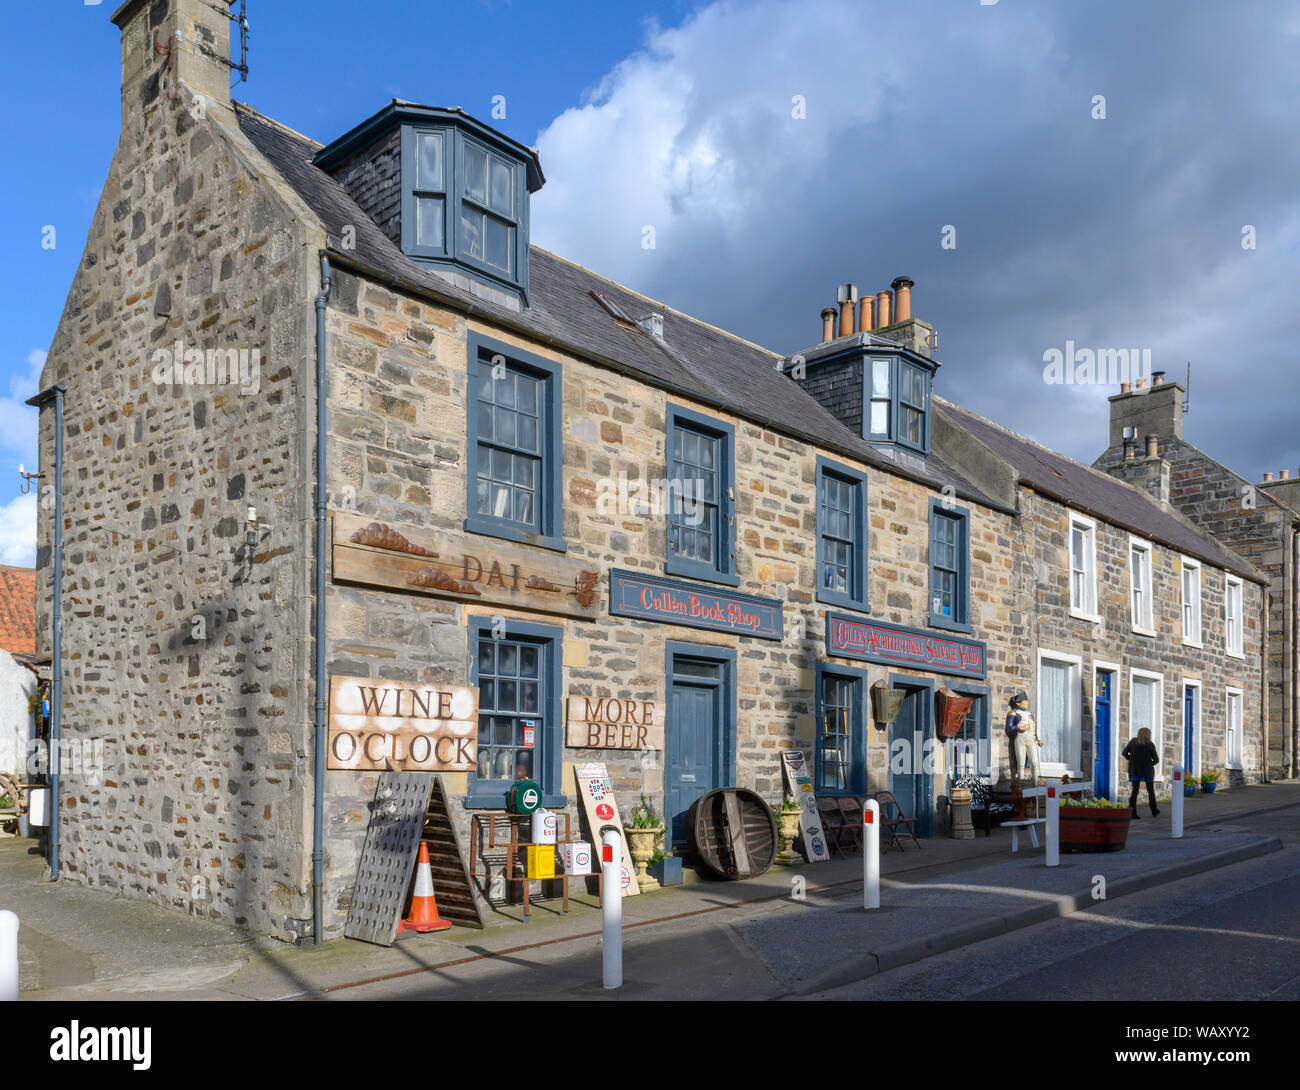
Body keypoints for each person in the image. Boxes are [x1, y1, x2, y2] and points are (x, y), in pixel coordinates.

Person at [1122, 727, 1160, 818]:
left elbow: (1124, 753)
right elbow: (1156, 759)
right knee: (1150, 790)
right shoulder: (1150, 744)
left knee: (1135, 791)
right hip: (1147, 771)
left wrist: (1131, 760)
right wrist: (1149, 764)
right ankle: (1154, 810)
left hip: (1135, 770)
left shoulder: (1133, 742)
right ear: (1148, 734)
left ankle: (1133, 813)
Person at [1005, 691, 1042, 780]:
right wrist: (1020, 728)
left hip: (1031, 739)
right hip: (1020, 738)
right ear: (1018, 703)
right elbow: (1009, 728)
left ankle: (1035, 782)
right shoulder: (1013, 713)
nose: (1027, 702)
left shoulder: (1029, 714)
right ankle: (1020, 781)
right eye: (1025, 701)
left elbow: (1033, 728)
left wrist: (1037, 739)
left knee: (1035, 762)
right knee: (1020, 762)